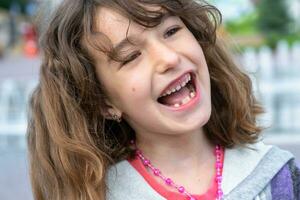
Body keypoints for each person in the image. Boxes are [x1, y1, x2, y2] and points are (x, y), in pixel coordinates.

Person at [27, 0, 300, 200]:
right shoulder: (104, 195)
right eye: (131, 56)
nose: (169, 58)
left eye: (170, 31)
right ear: (103, 102)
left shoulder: (279, 177)